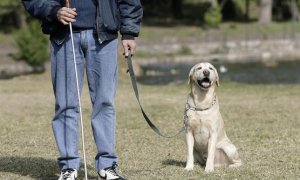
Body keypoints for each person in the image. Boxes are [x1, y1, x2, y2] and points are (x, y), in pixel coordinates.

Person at [22, 0, 143, 179]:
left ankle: (107, 165)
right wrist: (54, 10)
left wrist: (129, 32)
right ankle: (68, 167)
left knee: (105, 102)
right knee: (66, 104)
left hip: (104, 36)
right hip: (64, 36)